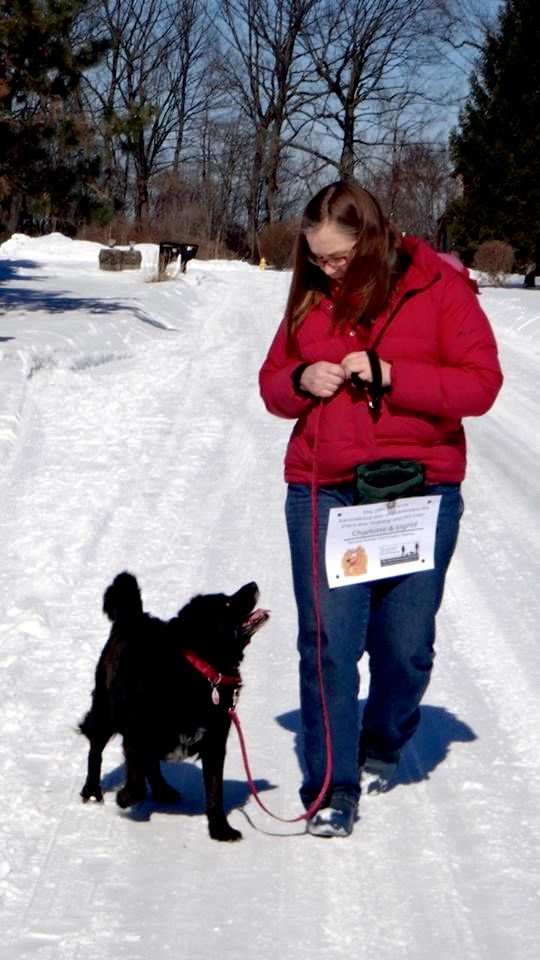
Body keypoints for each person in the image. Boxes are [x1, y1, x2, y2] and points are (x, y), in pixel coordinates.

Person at [258, 181, 503, 838]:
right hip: (324, 487)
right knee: (330, 646)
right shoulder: (311, 295)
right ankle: (331, 786)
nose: (327, 268)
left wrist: (393, 374)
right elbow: (271, 385)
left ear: (370, 237)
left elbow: (482, 385)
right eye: (318, 258)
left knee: (405, 646)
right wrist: (298, 380)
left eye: (338, 257)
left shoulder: (438, 289)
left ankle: (386, 729)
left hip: (418, 490)